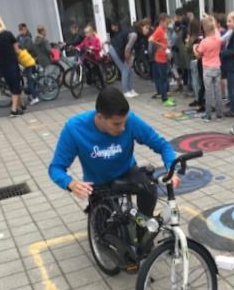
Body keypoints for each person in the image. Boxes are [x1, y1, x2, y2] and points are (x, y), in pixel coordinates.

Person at [48, 87, 181, 255]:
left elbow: (162, 145)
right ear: (99, 117)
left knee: (149, 187)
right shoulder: (75, 128)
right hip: (98, 182)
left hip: (126, 172)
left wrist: (171, 167)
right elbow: (56, 167)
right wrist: (70, 183)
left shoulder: (129, 120)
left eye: (124, 122)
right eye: (117, 124)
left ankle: (144, 232)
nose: (123, 128)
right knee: (108, 237)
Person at [0, 14, 25, 117]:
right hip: (12, 62)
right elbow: (17, 51)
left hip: (1, 64)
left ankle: (22, 106)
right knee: (15, 85)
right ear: (0, 22)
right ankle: (13, 110)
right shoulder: (8, 34)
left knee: (12, 85)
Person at [194, 16, 223, 122]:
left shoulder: (204, 42)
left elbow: (198, 55)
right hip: (217, 67)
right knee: (218, 91)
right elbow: (215, 30)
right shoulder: (218, 38)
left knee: (208, 92)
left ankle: (208, 115)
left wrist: (194, 48)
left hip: (207, 68)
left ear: (204, 29)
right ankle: (219, 114)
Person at [149, 13, 176, 107]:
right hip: (160, 58)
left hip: (164, 57)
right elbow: (150, 39)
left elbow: (165, 40)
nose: (168, 24)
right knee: (163, 79)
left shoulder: (163, 30)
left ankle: (166, 97)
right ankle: (164, 99)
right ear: (161, 22)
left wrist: (167, 44)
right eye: (166, 22)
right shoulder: (159, 30)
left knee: (165, 78)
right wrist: (160, 45)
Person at [108, 19, 140, 98]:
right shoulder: (134, 34)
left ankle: (130, 89)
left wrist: (130, 58)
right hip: (116, 50)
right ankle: (126, 91)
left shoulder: (130, 31)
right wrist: (128, 58)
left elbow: (130, 47)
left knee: (129, 69)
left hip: (120, 49)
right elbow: (127, 48)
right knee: (125, 69)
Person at [16, 23, 40, 106]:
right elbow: (15, 44)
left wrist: (20, 47)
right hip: (25, 60)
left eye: (22, 30)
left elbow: (28, 48)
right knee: (29, 78)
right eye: (20, 30)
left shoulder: (28, 37)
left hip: (31, 59)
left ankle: (34, 95)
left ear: (25, 29)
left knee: (30, 78)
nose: (21, 31)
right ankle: (31, 94)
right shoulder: (19, 37)